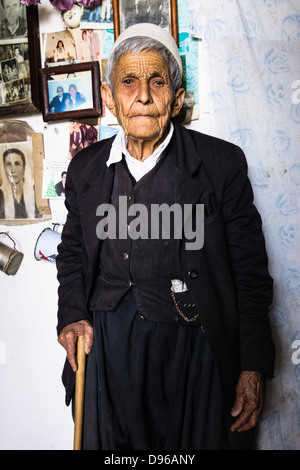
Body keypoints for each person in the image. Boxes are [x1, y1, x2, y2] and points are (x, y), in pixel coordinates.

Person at [57, 23, 275, 450]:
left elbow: (251, 273)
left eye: (157, 82)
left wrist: (252, 366)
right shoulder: (86, 169)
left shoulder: (220, 164)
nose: (142, 96)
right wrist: (71, 315)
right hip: (107, 349)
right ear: (108, 98)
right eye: (129, 82)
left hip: (193, 348)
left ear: (175, 100)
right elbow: (72, 256)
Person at [0, 148, 37, 219]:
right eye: (8, 164)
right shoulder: (1, 194)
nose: (13, 170)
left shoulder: (35, 191)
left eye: (17, 164)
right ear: (4, 168)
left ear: (24, 167)